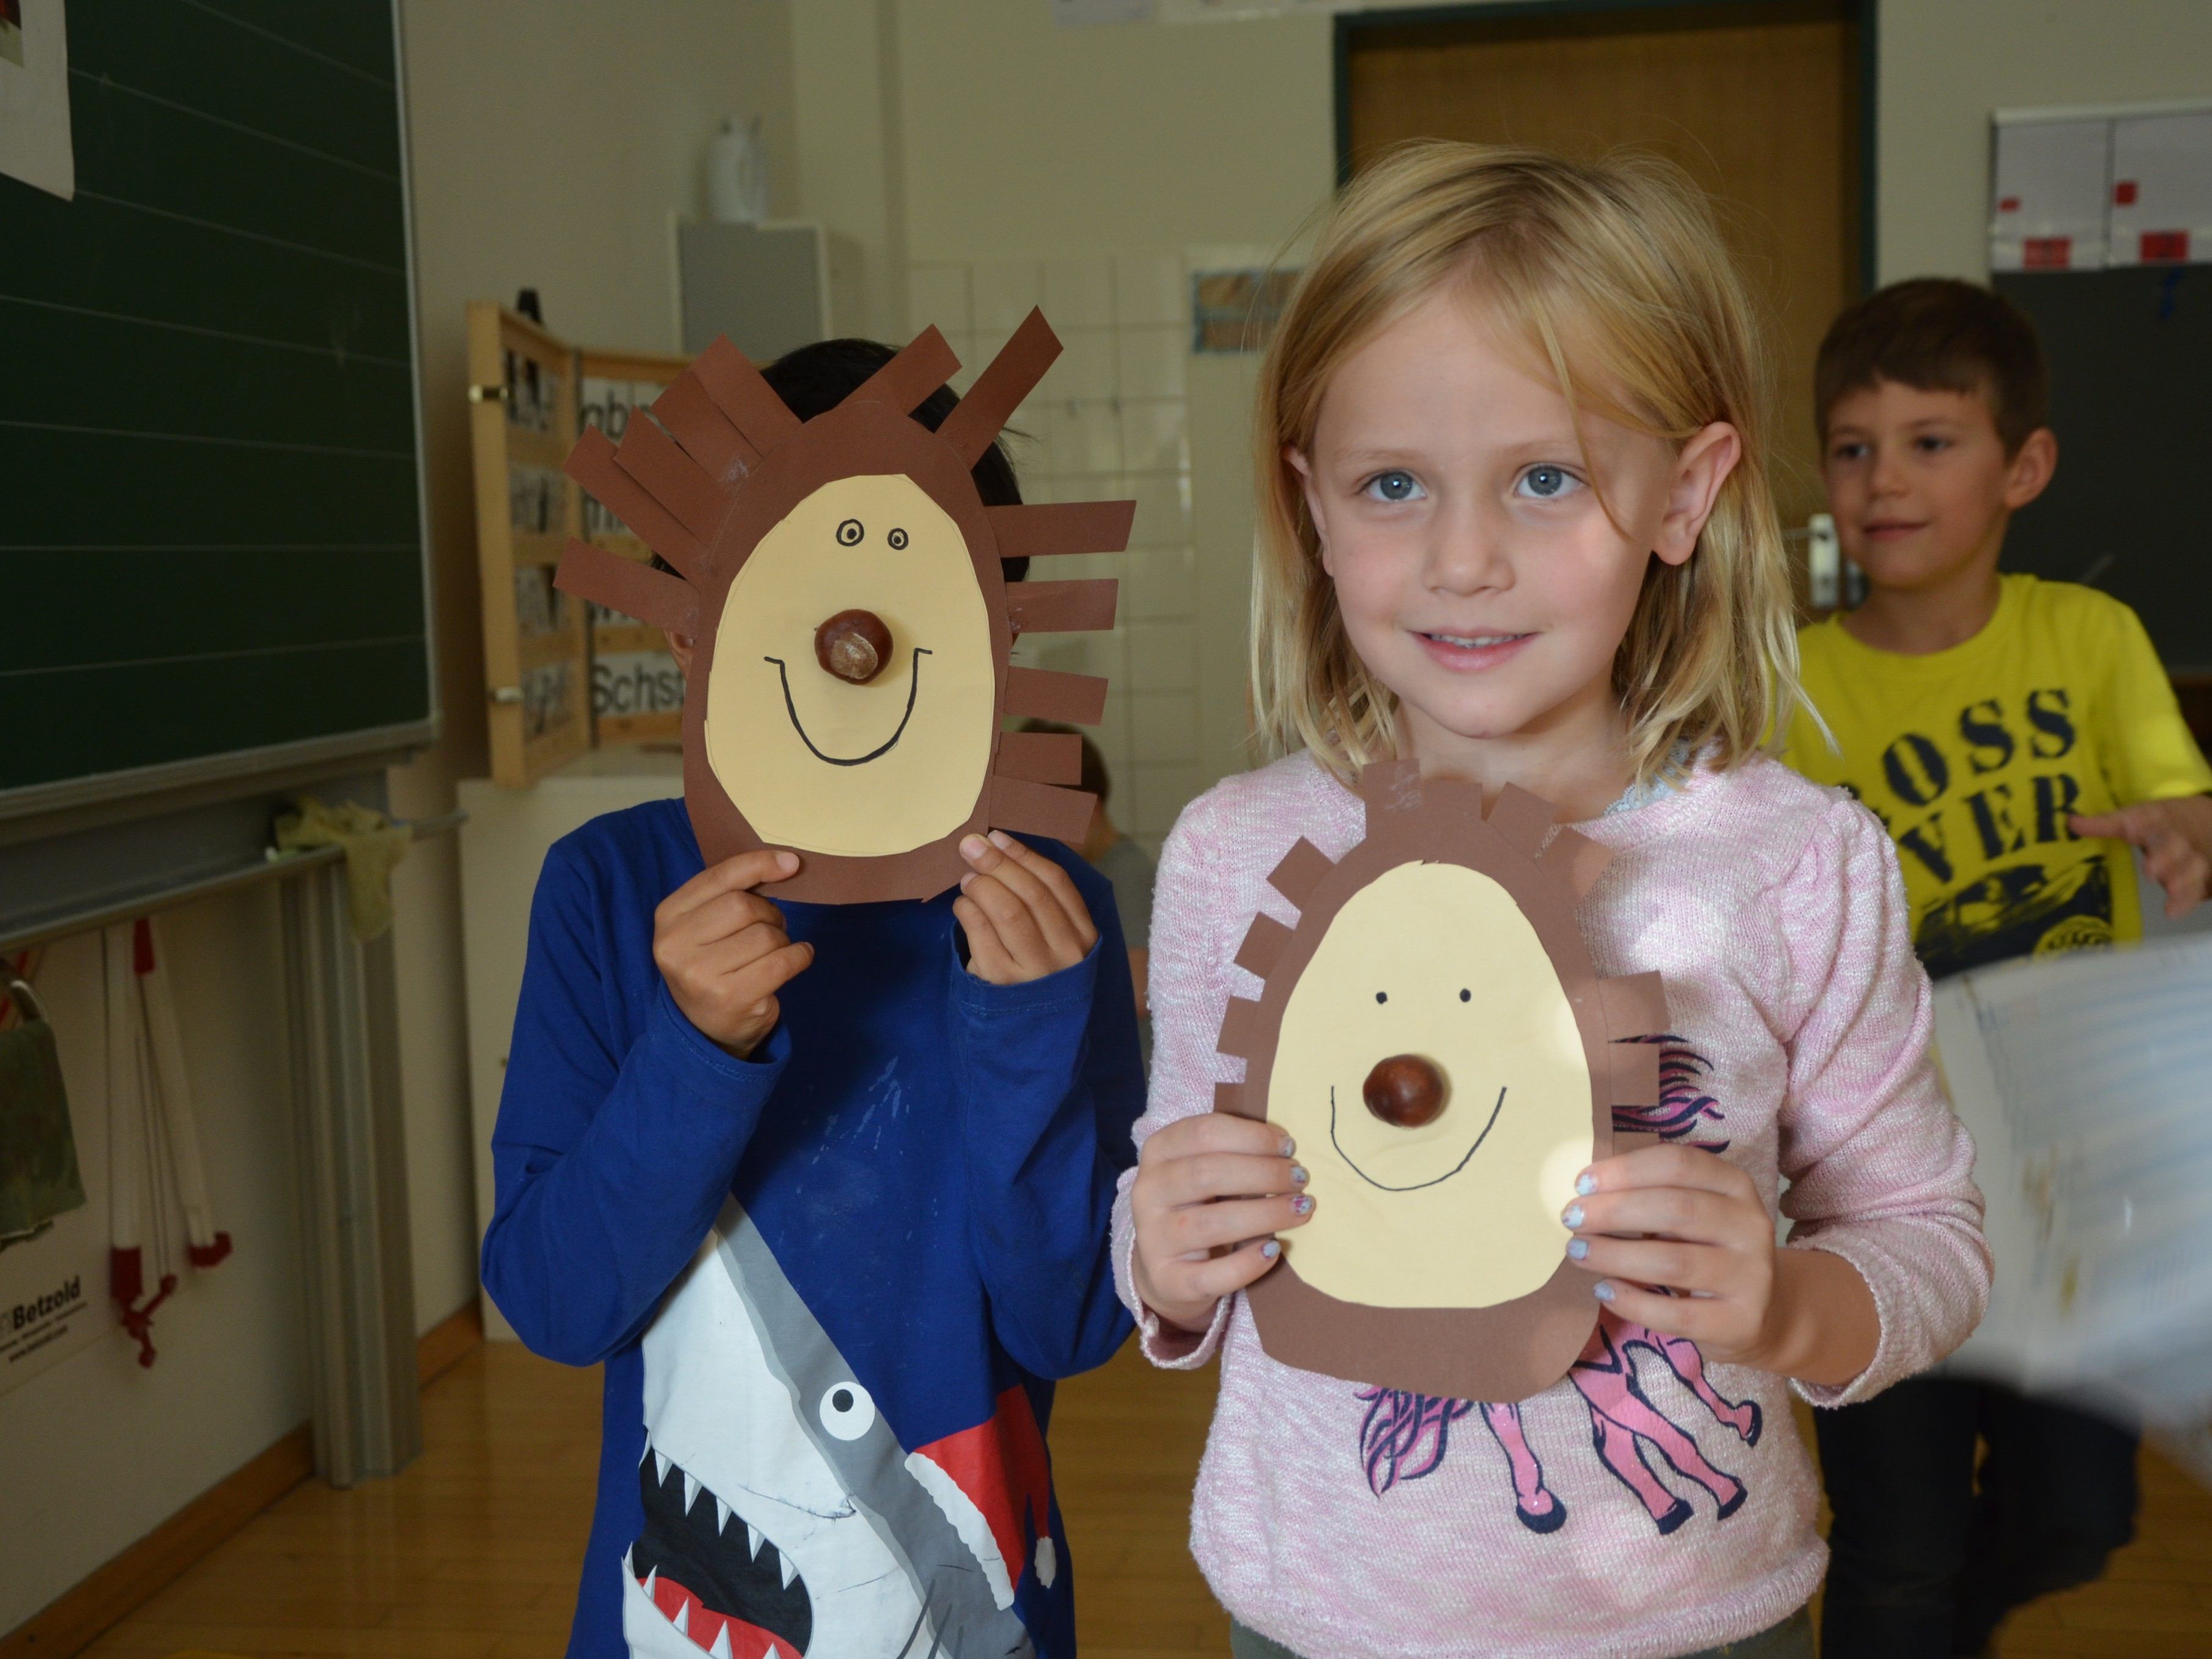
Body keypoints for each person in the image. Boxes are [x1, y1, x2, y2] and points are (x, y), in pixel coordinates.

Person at [1116, 142, 1991, 1659]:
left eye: (1544, 477)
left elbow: (1924, 1235)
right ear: (1309, 505)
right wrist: (1158, 1246)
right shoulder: (1227, 854)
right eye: (1391, 483)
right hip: (1324, 1617)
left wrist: (1783, 1306)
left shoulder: (1795, 862)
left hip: (1694, 1622)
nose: (1463, 558)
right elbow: (1169, 1191)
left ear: (1683, 493)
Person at [483, 338, 1145, 1659]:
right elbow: (556, 1305)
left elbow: (1071, 1324)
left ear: (995, 641)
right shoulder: (607, 894)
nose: (854, 642)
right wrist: (687, 1049)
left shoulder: (1048, 913)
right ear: (691, 621)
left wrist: (1022, 1024)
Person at [1781, 278, 2212, 1658]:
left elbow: (2179, 805)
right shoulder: (1785, 687)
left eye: (1927, 441)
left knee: (2076, 1516)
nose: (1881, 480)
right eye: (1851, 446)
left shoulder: (2088, 641)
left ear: (2020, 464)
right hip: (1875, 1179)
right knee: (1896, 1542)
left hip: (2072, 1176)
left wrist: (2182, 827)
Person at [1022, 720, 1156, 1060]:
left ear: (1089, 808)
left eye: (1044, 821)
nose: (1032, 840)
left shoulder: (1128, 874)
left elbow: (1138, 993)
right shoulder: (1090, 872)